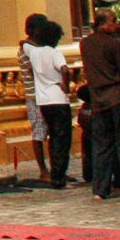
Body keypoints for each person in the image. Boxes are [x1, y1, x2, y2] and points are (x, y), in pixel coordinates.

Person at [79, 9, 120, 200]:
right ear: (103, 24)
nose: (116, 24)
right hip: (119, 95)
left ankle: (100, 189)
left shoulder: (85, 43)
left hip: (98, 98)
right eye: (113, 21)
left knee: (102, 145)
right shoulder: (113, 44)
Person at [26, 19, 75, 189]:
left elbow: (23, 43)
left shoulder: (33, 53)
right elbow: (65, 70)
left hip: (43, 100)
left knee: (53, 137)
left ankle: (56, 175)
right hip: (58, 99)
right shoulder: (55, 53)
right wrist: (65, 86)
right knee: (63, 140)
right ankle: (59, 176)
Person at [17, 12, 49, 180]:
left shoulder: (40, 48)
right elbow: (36, 70)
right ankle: (43, 170)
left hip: (47, 95)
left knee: (52, 132)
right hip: (35, 96)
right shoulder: (26, 49)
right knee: (38, 132)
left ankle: (55, 168)